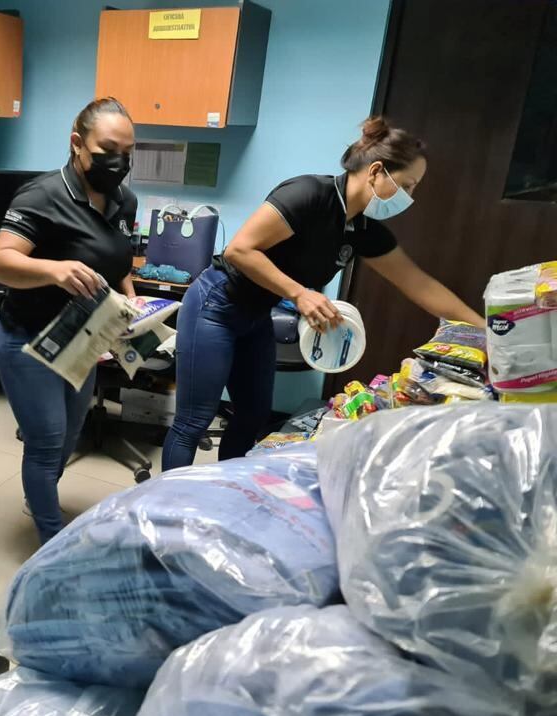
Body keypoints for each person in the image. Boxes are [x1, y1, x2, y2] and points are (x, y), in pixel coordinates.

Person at [163, 116, 485, 470]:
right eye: (407, 185)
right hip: (216, 305)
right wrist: (299, 294)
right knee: (194, 421)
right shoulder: (309, 194)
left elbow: (420, 284)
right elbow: (239, 251)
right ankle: (166, 501)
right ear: (376, 171)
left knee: (252, 416)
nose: (410, 197)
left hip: (255, 317)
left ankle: (225, 493)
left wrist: (486, 332)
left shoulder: (362, 229)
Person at [0, 97, 138, 544]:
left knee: (71, 434)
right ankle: (52, 541)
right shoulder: (43, 196)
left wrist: (130, 301)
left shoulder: (124, 200)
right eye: (107, 150)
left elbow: (118, 262)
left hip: (81, 338)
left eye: (127, 152)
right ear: (77, 143)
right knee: (47, 441)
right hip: (27, 340)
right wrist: (54, 270)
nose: (118, 162)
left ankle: (40, 497)